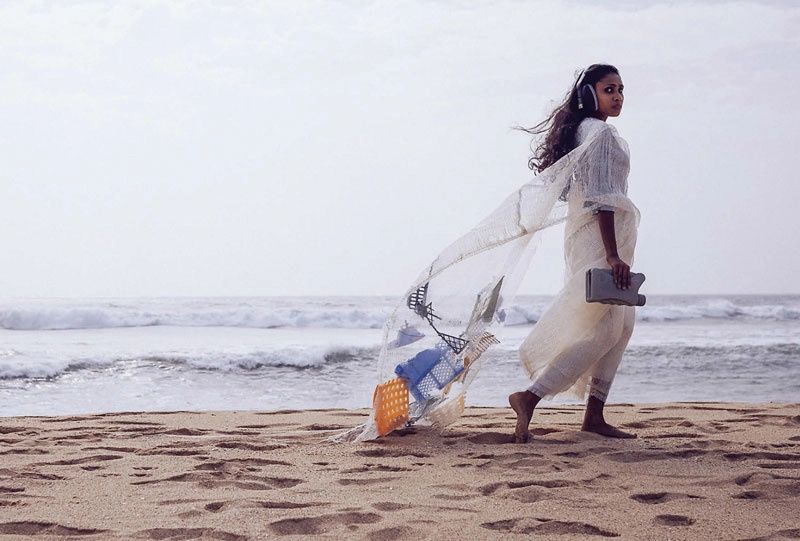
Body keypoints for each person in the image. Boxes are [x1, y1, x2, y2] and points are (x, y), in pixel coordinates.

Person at [508, 64, 640, 443]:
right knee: (608, 326)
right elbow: (601, 197)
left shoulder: (587, 131)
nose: (617, 96)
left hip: (601, 236)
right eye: (608, 89)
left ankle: (594, 416)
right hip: (602, 239)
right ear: (588, 94)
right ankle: (529, 398)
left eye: (620, 89)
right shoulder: (598, 132)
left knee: (622, 323)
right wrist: (613, 256)